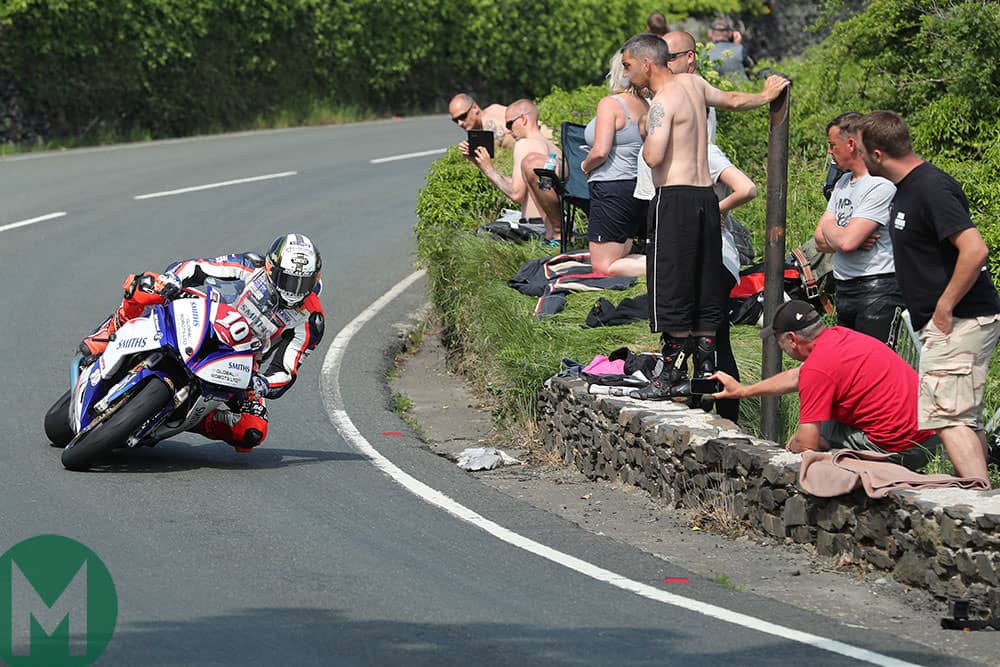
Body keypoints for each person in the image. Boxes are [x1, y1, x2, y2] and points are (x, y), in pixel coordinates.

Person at [620, 32, 788, 400]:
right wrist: (765, 95)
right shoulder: (694, 84)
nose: (626, 74)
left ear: (648, 64)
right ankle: (707, 367)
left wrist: (646, 127)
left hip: (675, 200)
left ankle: (669, 376)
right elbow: (731, 100)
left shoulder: (662, 102)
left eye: (629, 66)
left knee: (672, 284)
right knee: (703, 284)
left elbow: (653, 157)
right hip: (704, 200)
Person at [80, 234, 325, 451]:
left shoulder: (310, 319)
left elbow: (285, 371)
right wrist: (170, 281)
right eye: (287, 279)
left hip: (241, 362)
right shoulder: (249, 266)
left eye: (303, 283)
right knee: (144, 286)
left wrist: (261, 384)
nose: (294, 290)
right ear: (271, 268)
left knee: (252, 430)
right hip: (203, 317)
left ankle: (196, 419)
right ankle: (106, 334)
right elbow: (195, 268)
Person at [857, 110, 1000, 482]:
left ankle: (977, 515)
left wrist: (945, 304)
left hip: (961, 319)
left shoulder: (930, 188)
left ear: (877, 153)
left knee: (947, 416)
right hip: (951, 322)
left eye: (859, 149)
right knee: (961, 417)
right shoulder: (907, 190)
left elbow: (975, 249)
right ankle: (981, 501)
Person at [711, 300, 940, 470]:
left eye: (780, 342)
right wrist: (743, 391)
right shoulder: (840, 337)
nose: (783, 348)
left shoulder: (817, 368)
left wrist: (794, 445)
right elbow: (796, 377)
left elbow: (807, 444)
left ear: (792, 339)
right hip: (929, 435)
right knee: (826, 420)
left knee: (809, 444)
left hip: (901, 448)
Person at [813, 111, 905, 343]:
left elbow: (844, 242)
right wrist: (844, 236)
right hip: (844, 288)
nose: (829, 151)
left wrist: (837, 233)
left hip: (877, 291)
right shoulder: (843, 182)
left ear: (851, 144)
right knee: (851, 367)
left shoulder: (880, 184)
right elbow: (818, 240)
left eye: (832, 145)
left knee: (875, 369)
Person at [579, 51, 649, 277]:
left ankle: (670, 268)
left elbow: (600, 152)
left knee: (603, 266)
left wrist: (584, 167)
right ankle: (668, 264)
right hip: (635, 186)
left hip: (611, 186)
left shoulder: (611, 104)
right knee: (618, 254)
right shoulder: (646, 104)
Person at [462, 99, 563, 245]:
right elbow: (526, 188)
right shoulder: (554, 149)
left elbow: (516, 195)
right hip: (555, 223)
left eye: (510, 124)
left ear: (523, 119)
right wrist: (481, 165)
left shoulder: (525, 144)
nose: (508, 130)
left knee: (477, 237)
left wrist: (489, 170)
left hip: (535, 227)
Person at [448, 94, 515, 150]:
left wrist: (467, 151)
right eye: (455, 120)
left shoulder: (487, 131)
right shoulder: (494, 108)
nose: (460, 123)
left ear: (475, 108)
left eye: (463, 116)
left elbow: (490, 162)